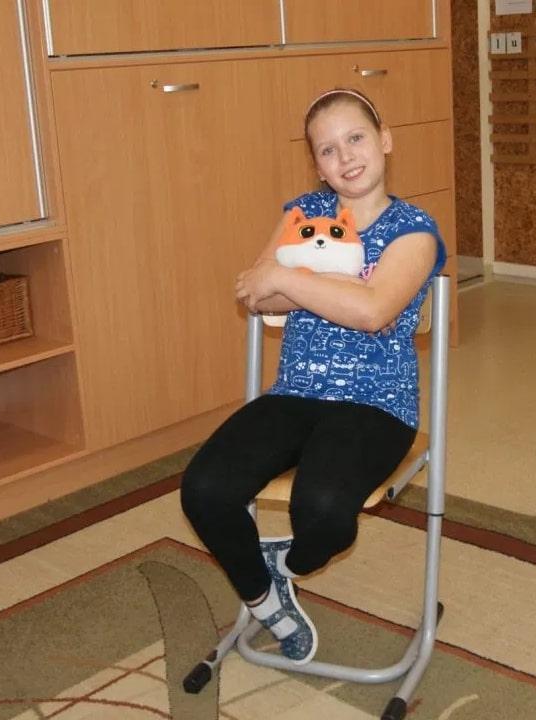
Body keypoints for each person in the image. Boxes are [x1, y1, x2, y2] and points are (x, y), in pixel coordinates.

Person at [181, 87, 447, 666]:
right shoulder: (303, 212)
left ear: (384, 141)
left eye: (355, 138)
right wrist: (339, 288)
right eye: (327, 150)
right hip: (295, 393)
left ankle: (285, 563)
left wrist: (292, 277)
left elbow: (371, 313)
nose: (345, 156)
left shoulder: (415, 230)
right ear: (317, 166)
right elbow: (257, 295)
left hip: (377, 404)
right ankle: (267, 604)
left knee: (323, 511)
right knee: (203, 490)